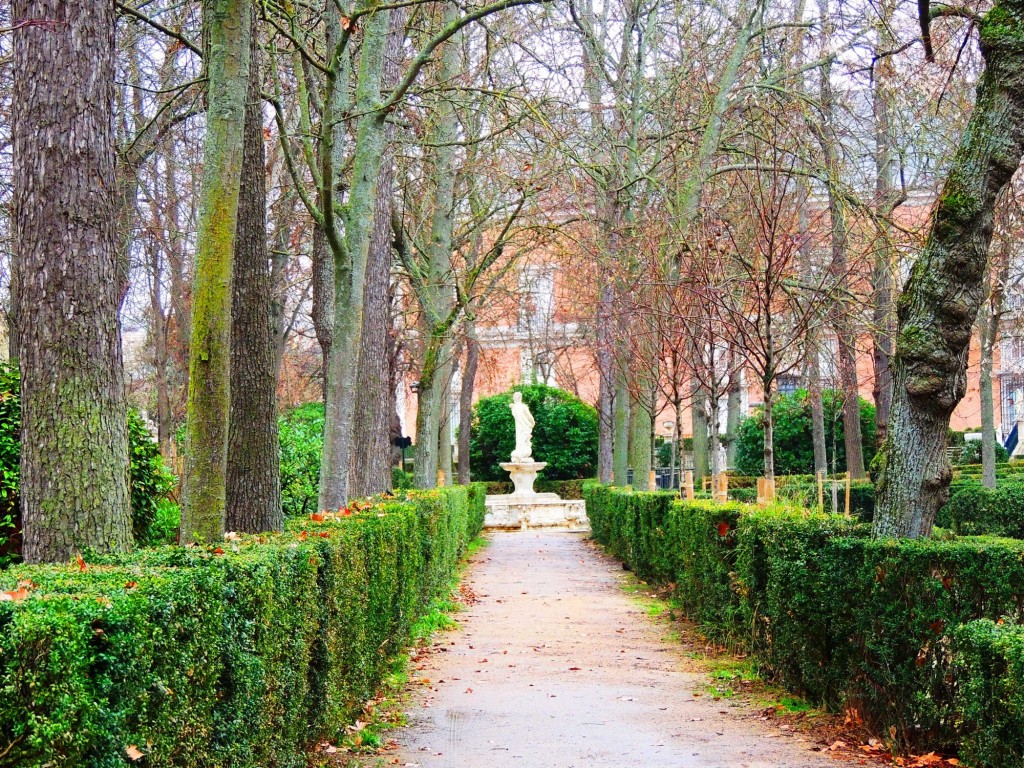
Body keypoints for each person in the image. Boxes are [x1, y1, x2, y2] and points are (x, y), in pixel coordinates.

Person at [510, 392, 535, 462]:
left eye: (514, 397)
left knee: (522, 441)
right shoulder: (520, 406)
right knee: (521, 441)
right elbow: (530, 416)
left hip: (523, 427)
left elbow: (529, 416)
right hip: (522, 427)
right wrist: (533, 423)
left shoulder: (517, 407)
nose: (514, 398)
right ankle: (521, 457)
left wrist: (532, 422)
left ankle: (520, 456)